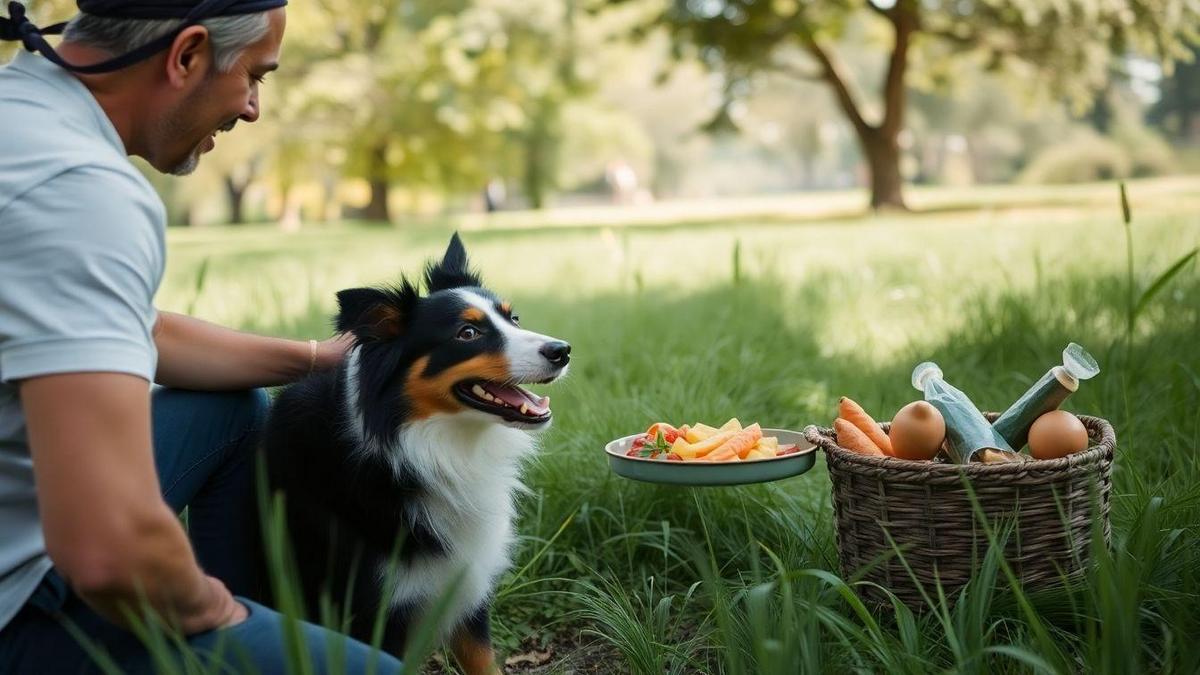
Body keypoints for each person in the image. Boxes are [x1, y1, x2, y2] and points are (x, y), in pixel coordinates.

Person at [0, 1, 403, 672]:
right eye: (255, 76)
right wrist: (219, 611)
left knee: (231, 407)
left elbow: (124, 330)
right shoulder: (79, 192)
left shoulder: (22, 117)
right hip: (15, 601)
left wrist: (316, 360)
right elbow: (108, 550)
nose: (251, 108)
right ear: (186, 56)